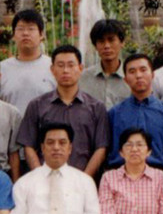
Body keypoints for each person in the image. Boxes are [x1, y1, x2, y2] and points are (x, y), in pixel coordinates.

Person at [16, 45, 111, 175]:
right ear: (52, 69)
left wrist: (84, 179)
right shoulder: (37, 105)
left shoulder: (96, 107)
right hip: (45, 179)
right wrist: (40, 176)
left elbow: (101, 148)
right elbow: (28, 146)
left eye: (71, 65)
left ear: (80, 68)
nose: (66, 70)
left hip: (83, 179)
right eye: (60, 65)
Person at [106, 52, 163, 171]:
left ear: (152, 74)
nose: (138, 75)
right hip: (121, 175)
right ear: (125, 79)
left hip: (157, 175)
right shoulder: (114, 114)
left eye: (143, 70)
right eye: (132, 71)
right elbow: (108, 148)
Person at [0, 9, 56, 112]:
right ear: (13, 35)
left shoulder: (53, 67)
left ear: (41, 34)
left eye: (31, 29)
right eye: (20, 29)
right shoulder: (1, 68)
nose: (25, 33)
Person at [79, 18, 129, 108]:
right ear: (95, 46)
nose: (106, 46)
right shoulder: (83, 78)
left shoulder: (131, 78)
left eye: (111, 40)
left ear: (122, 43)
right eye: (101, 41)